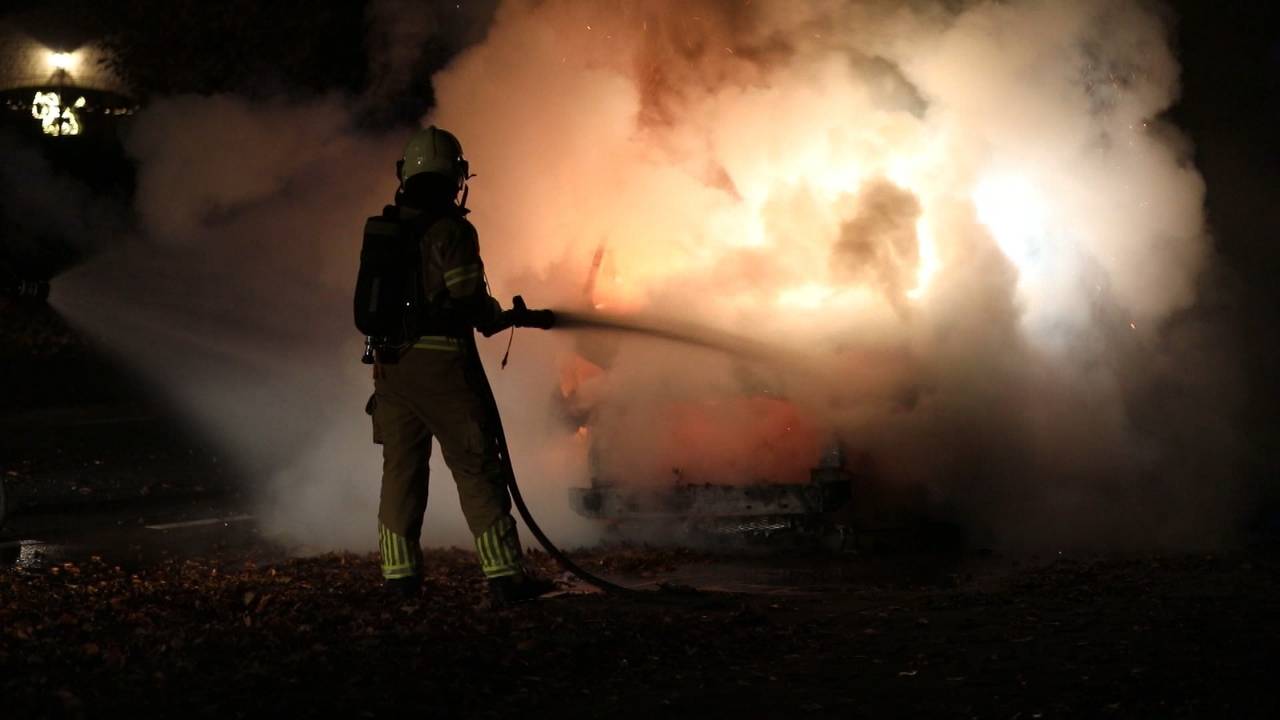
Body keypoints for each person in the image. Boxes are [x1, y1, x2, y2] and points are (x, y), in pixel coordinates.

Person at [368, 125, 554, 605]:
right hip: (443, 369)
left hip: (390, 370)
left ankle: (399, 578)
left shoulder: (387, 230)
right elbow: (469, 299)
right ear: (456, 177)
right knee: (476, 467)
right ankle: (506, 575)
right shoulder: (452, 231)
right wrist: (499, 316)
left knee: (401, 473)